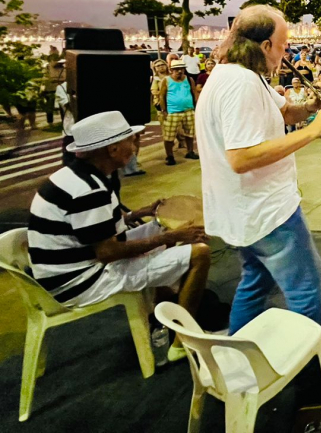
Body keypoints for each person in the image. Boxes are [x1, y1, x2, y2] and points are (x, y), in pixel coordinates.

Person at [194, 5, 321, 336]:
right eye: (282, 45)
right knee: (307, 290)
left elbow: (284, 114)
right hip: (265, 212)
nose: (285, 53)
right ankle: (312, 378)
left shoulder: (239, 76)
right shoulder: (241, 84)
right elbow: (241, 157)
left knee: (255, 281)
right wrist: (313, 130)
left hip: (245, 211)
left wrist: (310, 110)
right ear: (265, 46)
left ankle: (244, 360)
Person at [28, 111, 210, 361]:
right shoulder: (89, 190)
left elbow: (90, 228)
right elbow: (108, 252)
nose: (135, 146)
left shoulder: (74, 176)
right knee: (199, 253)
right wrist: (166, 239)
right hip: (80, 280)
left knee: (162, 227)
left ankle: (163, 317)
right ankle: (182, 343)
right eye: (131, 141)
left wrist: (139, 213)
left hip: (67, 269)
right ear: (113, 149)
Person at [160, 59, 199, 165]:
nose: (179, 71)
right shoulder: (166, 80)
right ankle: (169, 156)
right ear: (171, 70)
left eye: (181, 69)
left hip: (188, 110)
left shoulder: (189, 79)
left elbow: (193, 92)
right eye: (176, 69)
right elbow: (162, 96)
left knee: (190, 133)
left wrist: (196, 106)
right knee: (169, 135)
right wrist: (164, 110)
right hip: (173, 112)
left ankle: (190, 151)